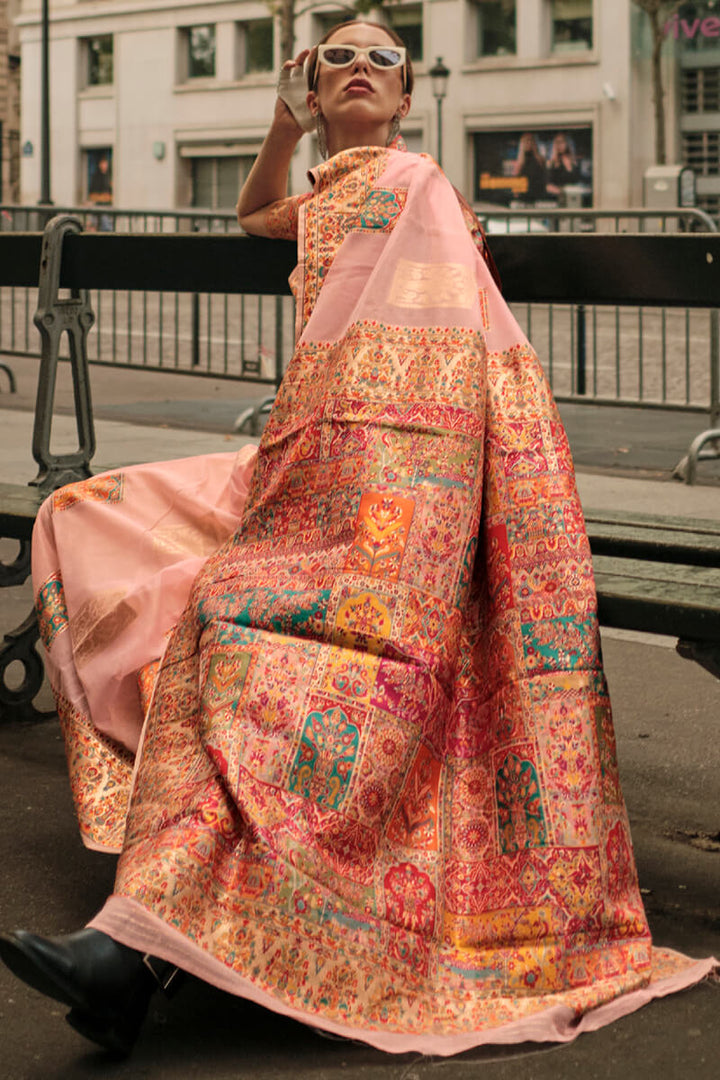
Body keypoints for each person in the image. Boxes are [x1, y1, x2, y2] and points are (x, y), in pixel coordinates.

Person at [1, 19, 716, 1061]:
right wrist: (280, 127)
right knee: (81, 517)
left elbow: (442, 360)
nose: (359, 67)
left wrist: (365, 476)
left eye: (382, 57)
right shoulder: (337, 189)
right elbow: (255, 211)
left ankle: (144, 941)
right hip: (304, 463)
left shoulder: (417, 180)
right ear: (312, 84)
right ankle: (166, 905)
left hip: (394, 478)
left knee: (238, 644)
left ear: (410, 90)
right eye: (337, 56)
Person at [512, 132, 547, 203]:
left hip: (538, 194)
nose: (528, 143)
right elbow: (515, 176)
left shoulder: (539, 159)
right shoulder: (520, 160)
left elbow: (543, 171)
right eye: (525, 141)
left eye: (530, 140)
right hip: (523, 196)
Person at [546, 132, 581, 198]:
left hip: (575, 196)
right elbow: (548, 186)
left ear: (567, 143)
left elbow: (579, 181)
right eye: (557, 142)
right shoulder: (551, 163)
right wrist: (563, 192)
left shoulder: (575, 162)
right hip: (558, 196)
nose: (559, 145)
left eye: (561, 142)